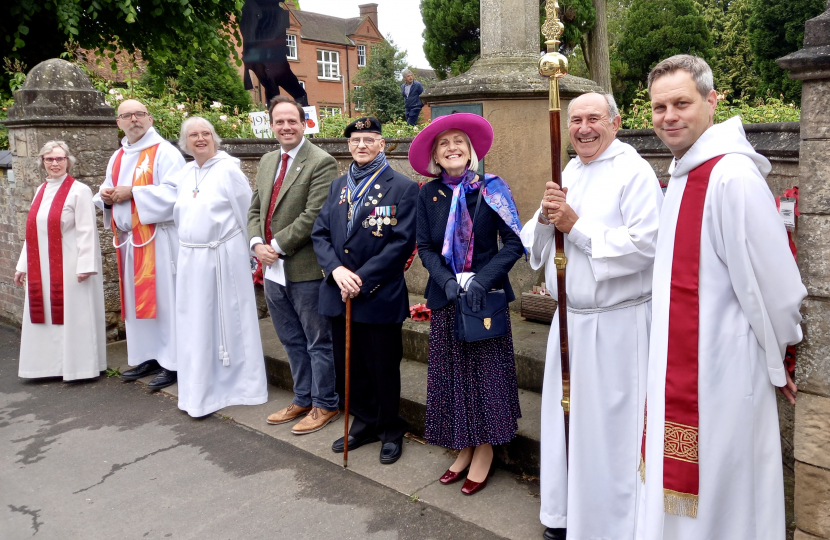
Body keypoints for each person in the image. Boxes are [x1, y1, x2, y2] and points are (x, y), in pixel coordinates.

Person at [636, 55, 806, 540]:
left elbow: (777, 285)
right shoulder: (684, 171)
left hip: (724, 375)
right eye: (659, 106)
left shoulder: (732, 176)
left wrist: (783, 358)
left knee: (725, 499)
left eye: (681, 103)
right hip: (678, 369)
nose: (668, 116)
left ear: (712, 102)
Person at [521, 93, 664, 540]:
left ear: (616, 123)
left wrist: (575, 226)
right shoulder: (570, 170)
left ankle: (611, 524)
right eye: (576, 120)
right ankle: (565, 515)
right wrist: (548, 218)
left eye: (594, 119)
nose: (583, 128)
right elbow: (540, 239)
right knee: (570, 424)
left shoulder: (633, 171)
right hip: (571, 323)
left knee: (609, 432)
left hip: (616, 327)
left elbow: (646, 246)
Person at [408, 113, 524, 495]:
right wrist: (445, 280)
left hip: (484, 298)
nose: (452, 147)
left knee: (485, 376)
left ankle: (485, 449)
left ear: (470, 150)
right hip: (446, 298)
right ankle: (464, 446)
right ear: (436, 157)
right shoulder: (428, 194)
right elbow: (424, 246)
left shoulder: (491, 189)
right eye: (444, 144)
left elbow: (513, 243)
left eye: (459, 141)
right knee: (453, 377)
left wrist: (480, 278)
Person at [311, 116, 419, 465]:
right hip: (339, 291)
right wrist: (337, 271)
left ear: (382, 144)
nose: (361, 145)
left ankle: (390, 428)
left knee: (382, 366)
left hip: (377, 294)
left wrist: (361, 279)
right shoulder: (337, 185)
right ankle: (365, 420)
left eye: (369, 139)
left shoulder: (402, 187)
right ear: (348, 145)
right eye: (355, 140)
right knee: (350, 367)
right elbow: (321, 233)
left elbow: (401, 244)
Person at [163, 116, 268, 417]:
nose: (200, 139)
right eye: (193, 135)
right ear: (184, 142)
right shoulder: (184, 173)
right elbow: (178, 215)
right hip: (191, 259)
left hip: (222, 257)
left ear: (214, 138)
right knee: (195, 323)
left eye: (205, 133)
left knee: (227, 321)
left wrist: (250, 249)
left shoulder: (228, 170)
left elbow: (247, 213)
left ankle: (240, 388)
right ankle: (200, 391)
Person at [248, 96, 341, 434]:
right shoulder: (267, 160)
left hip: (305, 268)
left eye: (292, 121)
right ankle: (303, 397)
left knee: (318, 341)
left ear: (304, 124)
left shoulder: (321, 162)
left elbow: (314, 215)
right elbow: (255, 210)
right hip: (272, 270)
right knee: (289, 339)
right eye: (279, 122)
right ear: (271, 125)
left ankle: (325, 403)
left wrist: (274, 245)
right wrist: (256, 243)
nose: (286, 127)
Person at [93, 99, 185, 390]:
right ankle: (149, 356)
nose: (134, 119)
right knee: (136, 303)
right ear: (118, 123)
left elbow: (176, 195)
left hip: (158, 240)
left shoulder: (165, 153)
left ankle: (174, 362)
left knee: (165, 302)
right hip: (130, 242)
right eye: (126, 115)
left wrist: (132, 192)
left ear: (150, 119)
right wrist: (106, 197)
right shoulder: (118, 156)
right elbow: (107, 188)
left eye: (139, 114)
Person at [14, 141, 106, 380]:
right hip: (41, 266)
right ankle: (46, 367)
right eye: (49, 159)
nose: (54, 163)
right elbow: (33, 232)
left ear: (68, 161)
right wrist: (22, 266)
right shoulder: (40, 190)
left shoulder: (79, 190)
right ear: (42, 162)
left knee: (73, 315)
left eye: (59, 159)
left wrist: (85, 265)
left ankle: (78, 368)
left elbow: (87, 231)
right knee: (43, 312)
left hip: (70, 264)